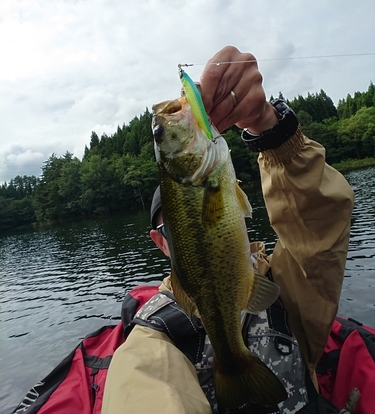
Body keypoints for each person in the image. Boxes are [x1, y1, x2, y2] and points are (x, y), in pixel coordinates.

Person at [102, 46, 354, 414]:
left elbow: (319, 222)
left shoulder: (286, 285)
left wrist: (269, 126)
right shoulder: (152, 340)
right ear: (160, 242)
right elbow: (141, 391)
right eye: (174, 226)